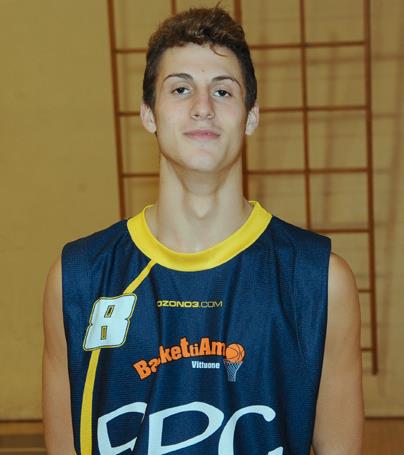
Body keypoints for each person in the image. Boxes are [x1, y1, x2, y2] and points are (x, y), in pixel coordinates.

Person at [42, 6, 363, 454]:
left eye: (223, 91)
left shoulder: (319, 282)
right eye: (180, 89)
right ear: (149, 114)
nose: (202, 108)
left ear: (251, 116)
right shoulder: (78, 278)